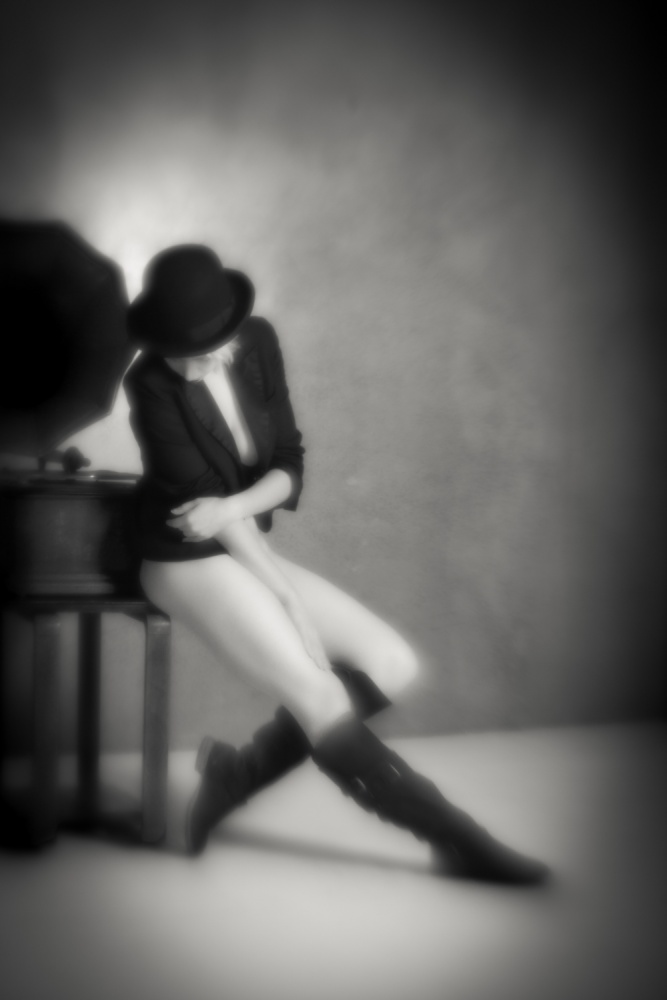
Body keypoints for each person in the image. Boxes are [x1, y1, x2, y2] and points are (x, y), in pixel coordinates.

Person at [124, 245, 549, 885]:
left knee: (391, 664)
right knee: (319, 692)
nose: (187, 364)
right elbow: (198, 511)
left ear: (231, 329)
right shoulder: (150, 383)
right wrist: (284, 595)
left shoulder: (258, 344)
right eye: (174, 349)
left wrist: (233, 509)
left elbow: (287, 465)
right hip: (181, 558)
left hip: (241, 539)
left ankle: (236, 775)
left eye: (202, 347)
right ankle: (463, 844)